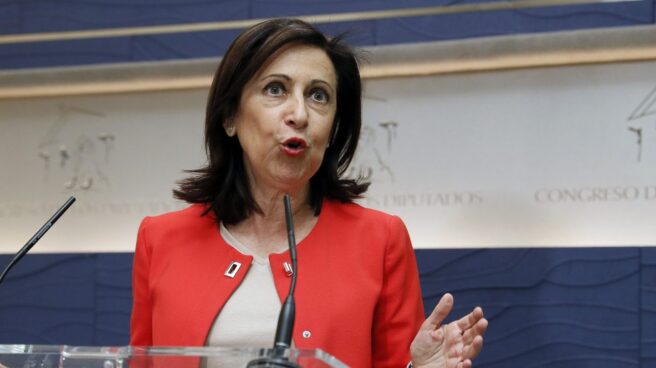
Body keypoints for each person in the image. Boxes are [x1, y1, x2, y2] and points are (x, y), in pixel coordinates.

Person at [130, 18, 487, 368]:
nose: (299, 114)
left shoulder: (379, 241)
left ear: (332, 130)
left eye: (318, 96)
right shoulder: (161, 239)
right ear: (230, 117)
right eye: (275, 89)